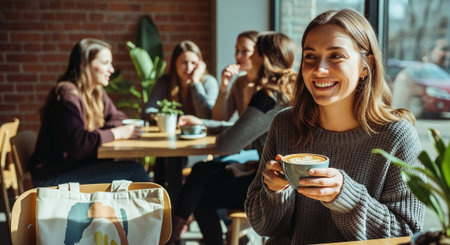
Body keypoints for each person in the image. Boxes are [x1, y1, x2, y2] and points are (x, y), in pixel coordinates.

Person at [245, 9, 425, 244]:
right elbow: (262, 225)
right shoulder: (285, 124)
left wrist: (345, 197)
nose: (319, 69)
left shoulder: (397, 136)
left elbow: (406, 234)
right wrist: (275, 191)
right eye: (310, 57)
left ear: (365, 65)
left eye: (336, 56)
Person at [168, 32, 297, 245]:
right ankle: (174, 235)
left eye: (253, 52)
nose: (247, 58)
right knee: (201, 171)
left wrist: (209, 127)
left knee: (202, 195)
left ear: (263, 58)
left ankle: (173, 236)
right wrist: (205, 124)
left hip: (273, 184)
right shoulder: (286, 91)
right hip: (278, 177)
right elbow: (245, 128)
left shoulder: (268, 98)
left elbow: (227, 145)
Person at [30, 38, 150, 187]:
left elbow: (117, 117)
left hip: (76, 168)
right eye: (105, 63)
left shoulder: (94, 91)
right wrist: (117, 133)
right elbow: (79, 144)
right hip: (53, 179)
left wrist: (106, 132)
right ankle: (164, 211)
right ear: (85, 65)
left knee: (131, 168)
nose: (111, 69)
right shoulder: (67, 94)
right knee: (134, 172)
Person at [142, 40, 219, 190]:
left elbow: (207, 116)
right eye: (184, 62)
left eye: (193, 63)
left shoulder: (208, 82)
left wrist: (195, 82)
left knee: (168, 161)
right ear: (175, 64)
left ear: (200, 64)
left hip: (199, 143)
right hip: (171, 144)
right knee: (167, 158)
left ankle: (173, 206)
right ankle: (169, 204)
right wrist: (166, 118)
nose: (189, 68)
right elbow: (147, 112)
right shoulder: (165, 82)